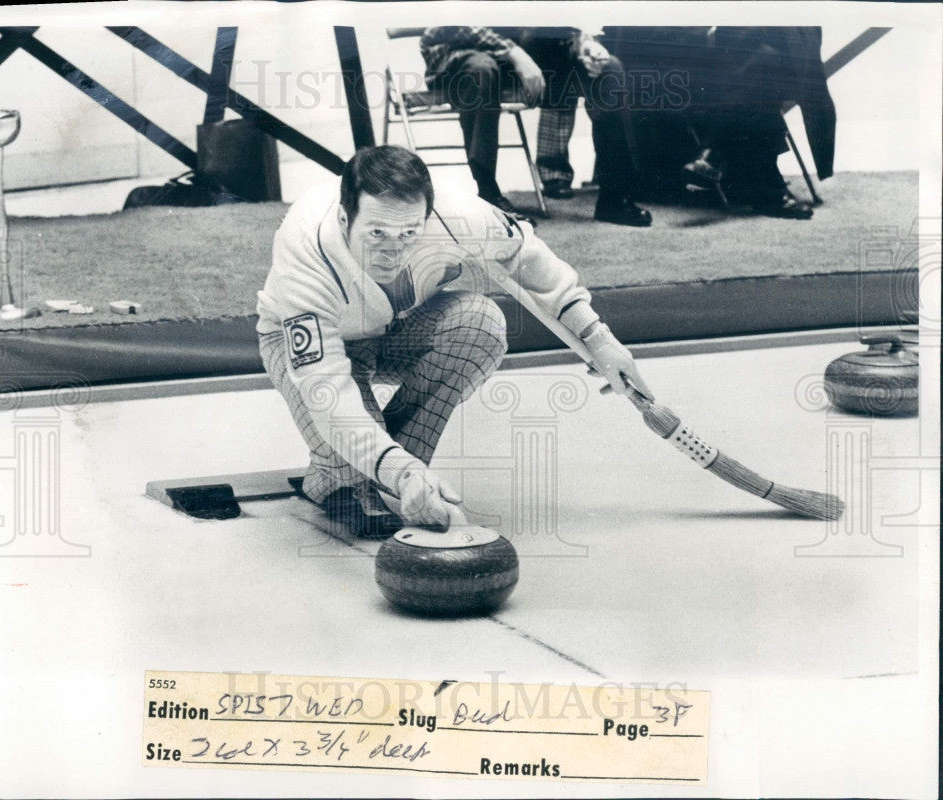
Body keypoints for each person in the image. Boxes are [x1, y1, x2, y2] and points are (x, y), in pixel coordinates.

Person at [257, 145, 653, 537]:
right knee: (351, 462)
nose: (392, 251)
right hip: (311, 348)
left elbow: (527, 257)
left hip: (397, 330)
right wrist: (400, 470)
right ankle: (345, 471)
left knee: (481, 323)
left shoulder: (458, 212)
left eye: (408, 233)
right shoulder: (305, 248)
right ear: (345, 219)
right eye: (376, 233)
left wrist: (598, 338)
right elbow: (327, 390)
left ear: (426, 216)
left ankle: (373, 466)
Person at [420, 26, 652, 227]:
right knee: (481, 68)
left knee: (609, 67)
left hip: (522, 56)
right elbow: (451, 26)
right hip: (463, 56)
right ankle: (488, 195)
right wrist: (514, 52)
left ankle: (615, 198)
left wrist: (584, 45)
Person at [681, 26, 835, 219]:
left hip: (771, 60)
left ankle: (715, 152)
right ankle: (768, 190)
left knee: (757, 72)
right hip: (714, 60)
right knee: (755, 79)